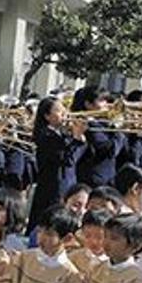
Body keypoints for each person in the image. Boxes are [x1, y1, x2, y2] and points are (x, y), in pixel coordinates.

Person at [27, 97, 88, 232]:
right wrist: (77, 140)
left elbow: (75, 157)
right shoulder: (46, 136)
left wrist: (78, 139)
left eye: (64, 110)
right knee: (50, 224)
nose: (65, 114)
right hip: (53, 188)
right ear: (47, 116)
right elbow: (67, 160)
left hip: (67, 183)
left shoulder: (61, 134)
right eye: (59, 111)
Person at [73, 86, 125, 189]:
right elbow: (111, 150)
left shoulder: (101, 123)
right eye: (101, 100)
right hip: (94, 179)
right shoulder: (87, 124)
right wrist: (117, 129)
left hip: (104, 177)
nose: (107, 104)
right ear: (88, 104)